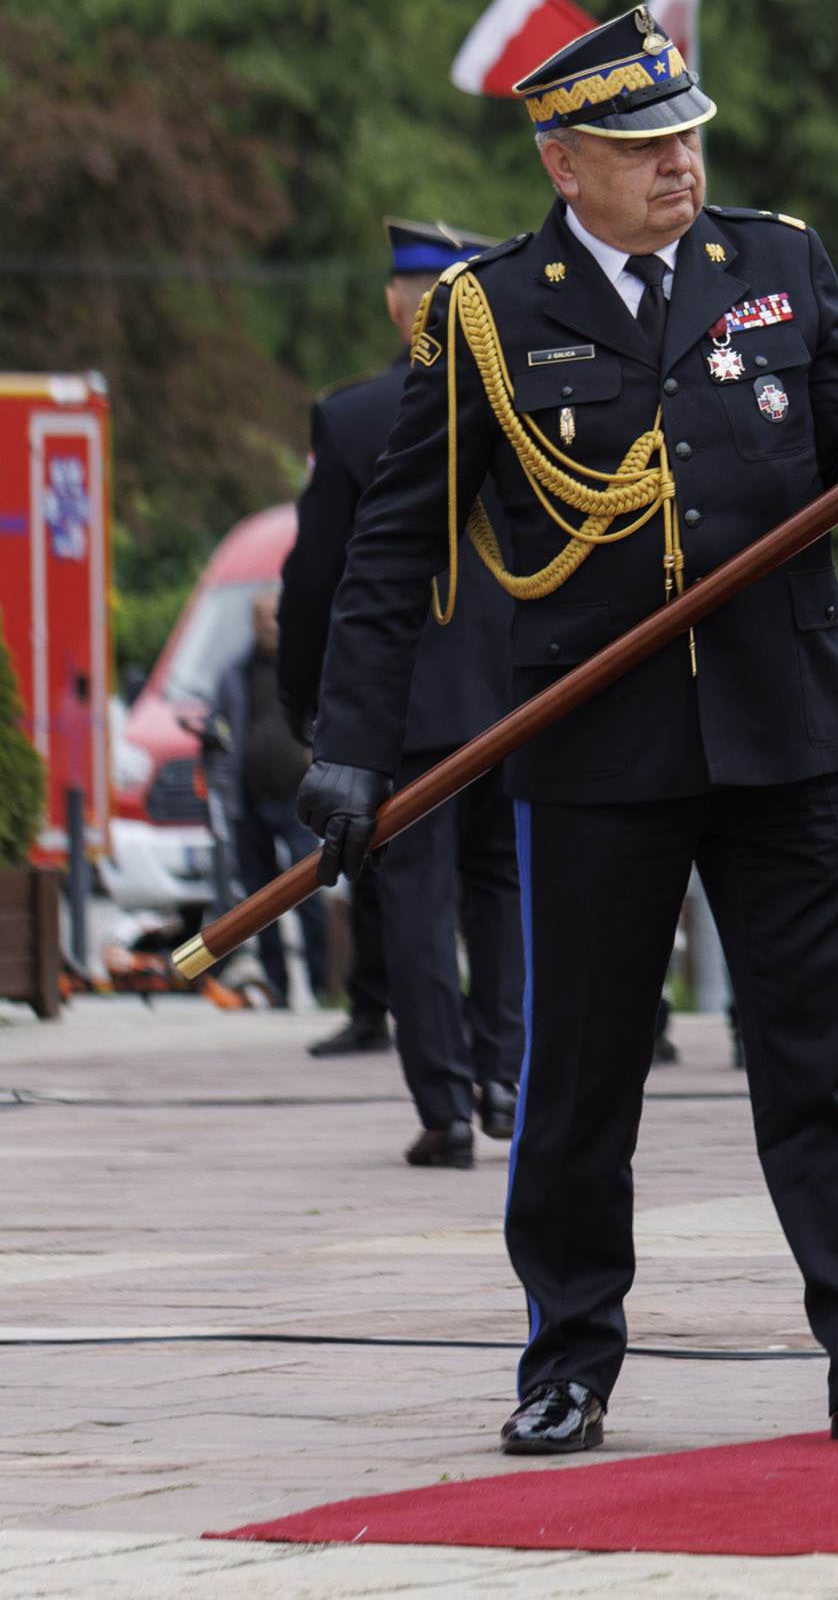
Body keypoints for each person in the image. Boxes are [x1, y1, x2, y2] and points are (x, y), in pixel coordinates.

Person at [295, 6, 838, 1455]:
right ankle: (569, 1356)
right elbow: (394, 539)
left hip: (782, 732)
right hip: (598, 745)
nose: (680, 161)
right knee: (582, 1067)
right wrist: (352, 742)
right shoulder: (492, 313)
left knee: (819, 1055)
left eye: (687, 133)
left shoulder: (777, 262)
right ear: (560, 159)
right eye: (643, 143)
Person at [276, 214, 525, 1168]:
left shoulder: (350, 418)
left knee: (417, 905)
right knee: (504, 892)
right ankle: (506, 1076)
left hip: (410, 705)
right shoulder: (528, 400)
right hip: (517, 696)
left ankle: (447, 1105)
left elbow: (317, 584)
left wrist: (310, 704)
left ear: (396, 303)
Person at [214, 591, 333, 1010]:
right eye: (263, 617)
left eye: (276, 617)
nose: (270, 625)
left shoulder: (302, 669)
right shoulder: (235, 673)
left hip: (297, 802)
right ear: (252, 623)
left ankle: (322, 986)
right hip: (248, 805)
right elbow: (219, 730)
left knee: (310, 896)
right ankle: (279, 990)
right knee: (259, 904)